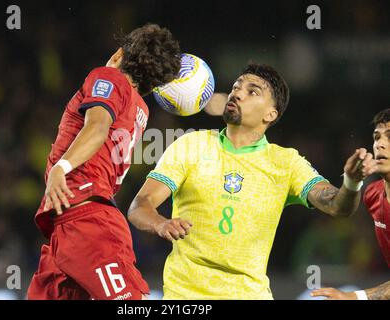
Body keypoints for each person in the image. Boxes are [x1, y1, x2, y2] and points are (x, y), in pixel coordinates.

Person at [127, 63, 376, 299]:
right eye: (236, 87)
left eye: (251, 91)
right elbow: (140, 206)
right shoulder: (190, 145)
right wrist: (160, 223)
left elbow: (337, 205)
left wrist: (352, 182)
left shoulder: (286, 163)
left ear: (271, 113)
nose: (237, 94)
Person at [27, 23, 181, 300]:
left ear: (120, 53)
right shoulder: (140, 109)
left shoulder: (108, 78)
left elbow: (97, 127)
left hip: (89, 226)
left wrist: (62, 167)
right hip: (69, 229)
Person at [311, 109, 390, 300]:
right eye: (376, 137)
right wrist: (352, 181)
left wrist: (355, 297)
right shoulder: (372, 194)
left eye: (389, 137)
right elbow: (340, 208)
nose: (380, 144)